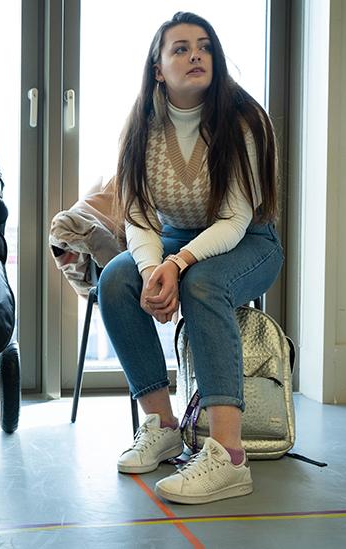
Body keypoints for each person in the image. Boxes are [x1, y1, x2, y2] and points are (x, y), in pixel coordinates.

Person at [97, 11, 283, 505]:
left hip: (249, 241)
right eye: (180, 48)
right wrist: (149, 270)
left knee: (203, 284)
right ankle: (162, 426)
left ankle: (228, 457)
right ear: (158, 69)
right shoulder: (140, 128)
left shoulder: (244, 121)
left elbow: (235, 219)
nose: (195, 55)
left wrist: (178, 265)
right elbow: (138, 218)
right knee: (115, 280)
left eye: (204, 47)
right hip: (177, 238)